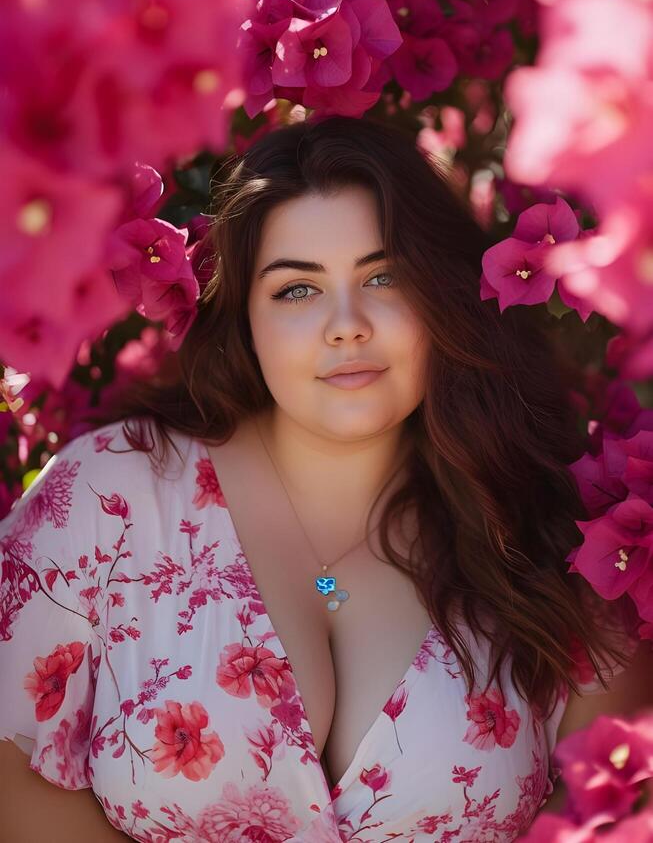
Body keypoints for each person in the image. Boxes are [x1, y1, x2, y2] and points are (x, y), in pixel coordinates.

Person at [0, 115, 646, 842]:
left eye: (382, 277)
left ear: (442, 300)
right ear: (244, 318)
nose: (346, 324)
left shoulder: (549, 533)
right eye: (296, 291)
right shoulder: (108, 494)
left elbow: (607, 812)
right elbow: (11, 777)